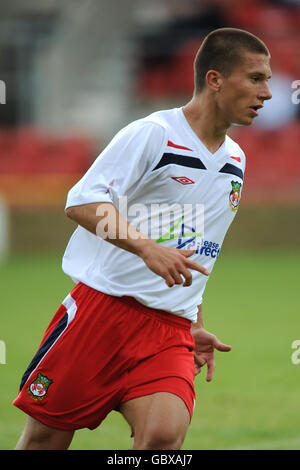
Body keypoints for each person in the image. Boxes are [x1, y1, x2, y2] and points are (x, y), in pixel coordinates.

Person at [13, 27, 272, 450]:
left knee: (163, 437)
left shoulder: (236, 159)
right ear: (215, 79)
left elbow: (195, 246)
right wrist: (146, 248)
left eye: (269, 81)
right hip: (102, 314)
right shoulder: (153, 133)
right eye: (256, 78)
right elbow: (81, 202)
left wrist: (194, 322)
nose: (268, 93)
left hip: (169, 331)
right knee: (45, 439)